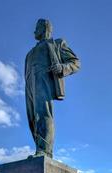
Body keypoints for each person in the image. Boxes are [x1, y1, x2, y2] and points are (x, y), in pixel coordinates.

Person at [25, 19, 80, 158]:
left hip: (45, 79)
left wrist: (62, 67)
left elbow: (75, 63)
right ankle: (39, 148)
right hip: (30, 85)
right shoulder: (29, 53)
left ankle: (45, 151)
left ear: (44, 28)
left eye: (37, 28)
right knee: (33, 118)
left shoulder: (57, 43)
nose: (34, 31)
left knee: (43, 113)